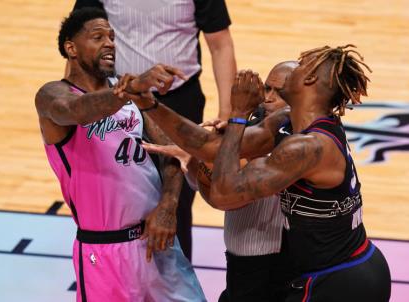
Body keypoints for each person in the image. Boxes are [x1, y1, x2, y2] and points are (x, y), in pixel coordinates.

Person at [115, 45, 392, 301]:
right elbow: (210, 146)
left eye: (300, 66)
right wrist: (151, 105)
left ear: (308, 82)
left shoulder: (308, 147)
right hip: (331, 271)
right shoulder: (287, 122)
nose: (293, 67)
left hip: (344, 280)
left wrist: (239, 113)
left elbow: (224, 192)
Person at [35, 8, 205, 301]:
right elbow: (75, 112)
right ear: (71, 48)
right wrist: (130, 90)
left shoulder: (130, 95)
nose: (110, 43)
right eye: (98, 37)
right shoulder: (53, 95)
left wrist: (168, 205)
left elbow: (171, 154)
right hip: (103, 251)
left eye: (113, 37)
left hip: (156, 242)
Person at [72, 0, 237, 262]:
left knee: (178, 199)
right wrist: (79, 102)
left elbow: (220, 44)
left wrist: (229, 113)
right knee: (122, 192)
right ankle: (125, 271)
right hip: (119, 98)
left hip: (179, 101)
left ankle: (177, 275)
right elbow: (79, 39)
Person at [144, 61, 298, 302]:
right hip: (242, 264)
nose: (268, 98)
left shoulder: (293, 142)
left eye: (280, 93)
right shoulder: (255, 124)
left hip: (271, 268)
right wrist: (195, 160)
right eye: (267, 88)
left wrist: (212, 148)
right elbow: (203, 182)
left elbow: (224, 197)